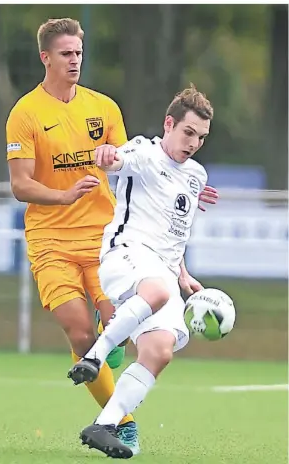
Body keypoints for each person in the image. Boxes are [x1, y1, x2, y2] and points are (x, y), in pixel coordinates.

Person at [6, 17, 140, 453]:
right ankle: (124, 421)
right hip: (50, 240)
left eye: (78, 53)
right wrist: (64, 197)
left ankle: (112, 344)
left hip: (103, 238)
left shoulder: (104, 108)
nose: (75, 60)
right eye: (66, 53)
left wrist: (114, 158)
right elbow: (20, 184)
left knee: (119, 328)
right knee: (82, 336)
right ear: (46, 57)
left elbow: (128, 161)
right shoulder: (25, 114)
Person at [68, 84, 214, 459]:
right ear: (169, 124)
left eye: (201, 136)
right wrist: (106, 156)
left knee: (160, 349)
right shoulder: (144, 151)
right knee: (157, 292)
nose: (194, 142)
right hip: (126, 254)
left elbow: (174, 233)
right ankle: (96, 355)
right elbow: (116, 159)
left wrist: (183, 274)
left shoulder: (196, 175)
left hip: (164, 271)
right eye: (188, 132)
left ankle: (104, 424)